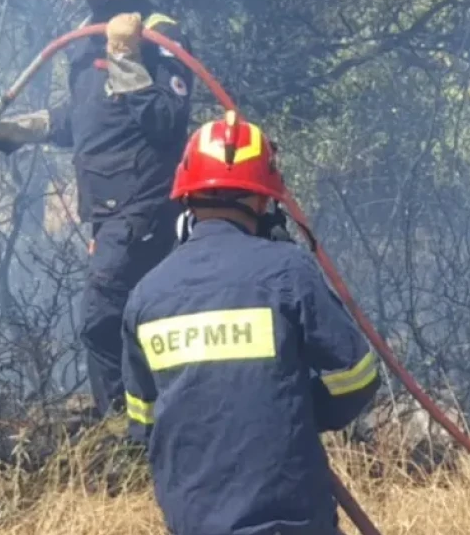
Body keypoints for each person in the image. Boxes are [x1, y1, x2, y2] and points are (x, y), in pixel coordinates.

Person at [0, 0, 195, 419]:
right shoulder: (86, 37)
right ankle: (154, 426)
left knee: (102, 318)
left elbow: (165, 120)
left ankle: (120, 432)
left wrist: (128, 62)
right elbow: (85, 119)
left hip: (143, 202)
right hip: (106, 206)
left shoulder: (159, 33)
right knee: (135, 320)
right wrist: (12, 131)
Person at [120, 112, 381, 535]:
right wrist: (293, 411)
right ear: (263, 202)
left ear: (186, 202)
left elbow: (143, 420)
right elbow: (358, 376)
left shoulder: (147, 294)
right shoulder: (287, 270)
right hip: (289, 520)